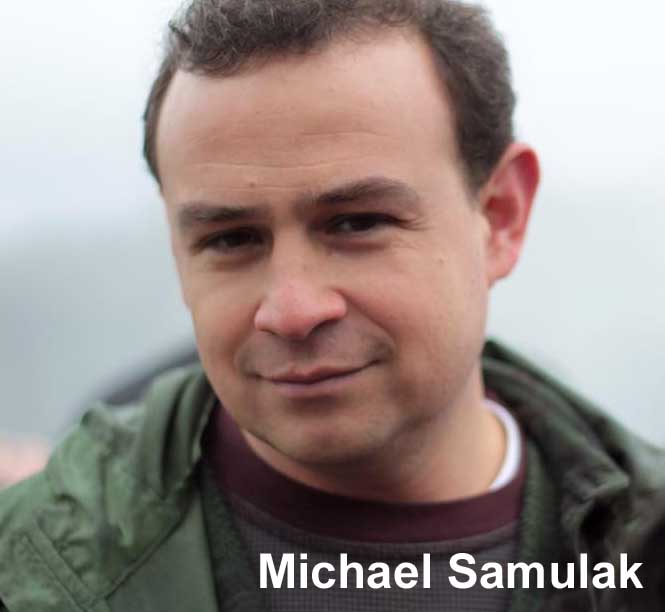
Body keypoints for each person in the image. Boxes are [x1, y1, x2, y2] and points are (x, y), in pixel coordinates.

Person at [0, 1, 663, 610]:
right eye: (231, 239)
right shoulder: (28, 572)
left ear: (500, 216)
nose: (291, 310)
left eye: (356, 223)